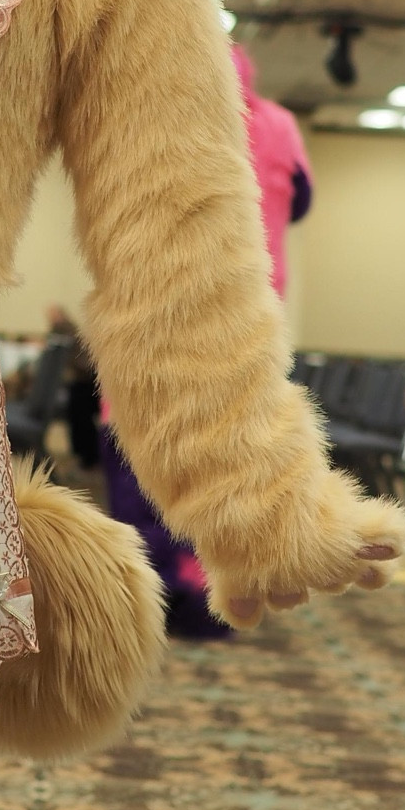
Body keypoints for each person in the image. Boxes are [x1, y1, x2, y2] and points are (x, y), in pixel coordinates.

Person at [101, 38, 314, 637]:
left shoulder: (160, 111)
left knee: (141, 455)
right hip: (247, 323)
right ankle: (216, 595)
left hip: (160, 316)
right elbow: (300, 202)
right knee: (228, 470)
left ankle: (152, 598)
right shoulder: (281, 125)